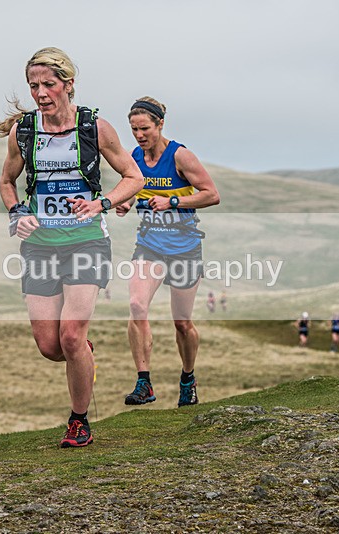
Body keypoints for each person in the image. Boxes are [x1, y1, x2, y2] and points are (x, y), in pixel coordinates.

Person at [0, 47, 144, 448]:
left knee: (72, 336)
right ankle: (81, 353)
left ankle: (79, 422)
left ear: (68, 84)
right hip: (40, 245)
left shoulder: (95, 128)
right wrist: (16, 213)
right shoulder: (23, 132)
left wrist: (102, 203)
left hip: (87, 240)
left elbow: (134, 176)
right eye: (33, 86)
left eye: (48, 84)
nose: (41, 93)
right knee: (50, 346)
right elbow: (7, 182)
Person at [115, 96, 220, 408]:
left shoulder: (180, 156)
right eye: (134, 129)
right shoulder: (134, 157)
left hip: (185, 248)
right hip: (149, 244)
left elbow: (212, 195)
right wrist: (126, 203)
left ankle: (188, 377)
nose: (139, 135)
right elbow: (134, 190)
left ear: (160, 125)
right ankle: (144, 382)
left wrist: (173, 201)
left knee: (182, 323)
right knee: (136, 305)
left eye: (145, 128)